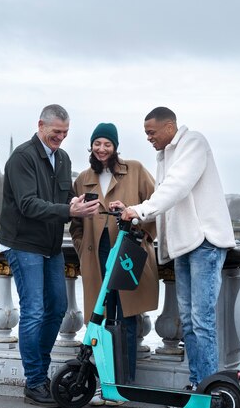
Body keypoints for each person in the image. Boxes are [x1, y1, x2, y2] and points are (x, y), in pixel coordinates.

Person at [112, 106, 236, 390]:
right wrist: (132, 210)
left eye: (151, 132)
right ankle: (197, 383)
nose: (148, 138)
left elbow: (176, 187)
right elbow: (163, 197)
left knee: (201, 321)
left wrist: (139, 210)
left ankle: (208, 388)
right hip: (185, 245)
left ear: (170, 128)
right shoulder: (165, 155)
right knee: (191, 324)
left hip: (204, 242)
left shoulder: (193, 143)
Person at [0, 104, 100, 407]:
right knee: (33, 310)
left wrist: (79, 203)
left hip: (50, 246)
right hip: (23, 243)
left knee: (56, 308)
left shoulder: (63, 157)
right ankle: (34, 381)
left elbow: (62, 197)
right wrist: (69, 210)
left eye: (65, 133)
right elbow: (28, 205)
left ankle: (40, 374)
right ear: (41, 125)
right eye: (56, 132)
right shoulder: (22, 157)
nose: (61, 138)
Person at [70, 123, 159, 406]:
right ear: (91, 146)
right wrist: (81, 248)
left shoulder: (135, 170)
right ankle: (104, 384)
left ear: (115, 146)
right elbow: (75, 221)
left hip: (127, 253)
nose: (102, 149)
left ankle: (125, 385)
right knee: (101, 321)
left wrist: (145, 234)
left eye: (107, 144)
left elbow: (157, 204)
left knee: (128, 319)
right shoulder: (83, 178)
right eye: (97, 143)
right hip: (97, 255)